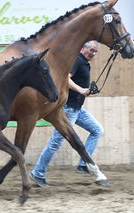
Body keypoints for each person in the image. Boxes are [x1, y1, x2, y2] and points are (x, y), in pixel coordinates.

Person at [30, 40, 104, 187]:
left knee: (97, 130)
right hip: (68, 109)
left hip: (77, 109)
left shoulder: (84, 62)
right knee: (55, 143)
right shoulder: (77, 60)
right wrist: (81, 90)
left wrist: (86, 90)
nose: (93, 53)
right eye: (91, 50)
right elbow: (66, 78)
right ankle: (38, 173)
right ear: (83, 48)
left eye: (95, 51)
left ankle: (84, 163)